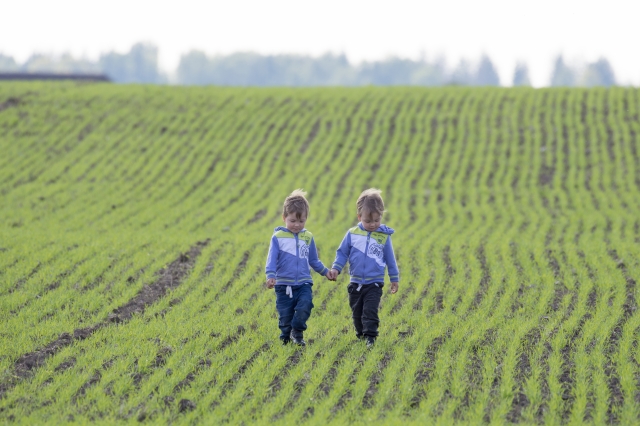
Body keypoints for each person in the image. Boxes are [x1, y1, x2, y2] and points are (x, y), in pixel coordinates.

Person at [329, 188, 399, 348]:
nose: (373, 224)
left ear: (381, 216)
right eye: (368, 221)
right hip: (355, 282)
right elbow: (342, 253)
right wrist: (336, 269)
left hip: (374, 282)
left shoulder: (383, 236)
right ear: (359, 217)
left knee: (370, 310)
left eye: (377, 220)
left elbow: (390, 258)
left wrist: (394, 278)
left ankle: (370, 337)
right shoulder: (352, 234)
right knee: (357, 313)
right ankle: (361, 334)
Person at [265, 189, 333, 346]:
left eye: (301, 221)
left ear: (306, 219)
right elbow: (272, 259)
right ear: (284, 218)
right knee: (285, 316)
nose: (297, 225)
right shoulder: (278, 238)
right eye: (292, 221)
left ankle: (297, 332)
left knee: (305, 305)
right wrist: (270, 275)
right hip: (283, 285)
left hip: (303, 283)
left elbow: (314, 260)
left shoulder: (308, 237)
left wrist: (326, 272)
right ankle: (285, 338)